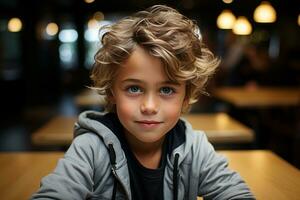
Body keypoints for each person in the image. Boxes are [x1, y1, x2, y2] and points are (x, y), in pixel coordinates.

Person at [32, 5, 254, 200]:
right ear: (111, 93)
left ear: (185, 98)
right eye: (134, 88)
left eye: (166, 90)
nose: (149, 106)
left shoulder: (195, 150)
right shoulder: (90, 149)